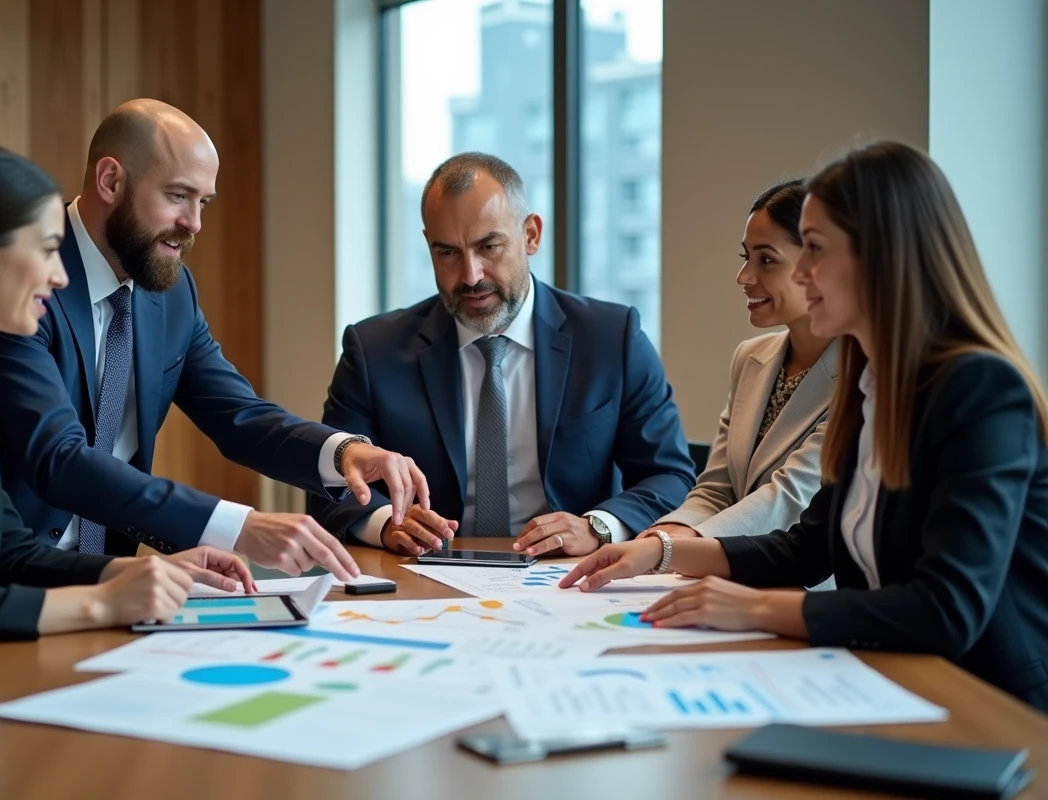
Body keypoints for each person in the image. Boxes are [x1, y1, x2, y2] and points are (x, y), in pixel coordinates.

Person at [562, 142, 1048, 711]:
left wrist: (753, 608)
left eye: (813, 249)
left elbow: (946, 609)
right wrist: (659, 552)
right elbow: (806, 550)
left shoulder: (979, 388)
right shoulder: (871, 385)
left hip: (990, 706)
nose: (799, 272)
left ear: (880, 257)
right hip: (888, 680)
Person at [0, 142, 253, 735]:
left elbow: (6, 552)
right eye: (45, 251)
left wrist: (129, 575)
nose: (61, 275)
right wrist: (98, 604)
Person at [0, 99, 429, 579]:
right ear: (110, 181)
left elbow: (239, 415)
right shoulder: (26, 280)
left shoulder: (171, 293)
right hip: (9, 577)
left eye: (203, 202)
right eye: (178, 195)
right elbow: (60, 458)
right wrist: (237, 526)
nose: (194, 223)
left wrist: (344, 453)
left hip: (113, 577)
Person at [311, 152, 694, 557]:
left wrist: (597, 526)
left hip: (571, 577)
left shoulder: (612, 339)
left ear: (531, 235)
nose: (471, 276)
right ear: (428, 246)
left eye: (489, 246)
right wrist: (387, 523)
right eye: (447, 253)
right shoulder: (373, 350)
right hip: (426, 575)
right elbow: (330, 482)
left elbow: (669, 476)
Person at [646, 181, 837, 552]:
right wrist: (665, 533)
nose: (744, 277)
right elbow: (717, 488)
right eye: (745, 257)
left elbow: (789, 498)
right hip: (726, 569)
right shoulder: (751, 357)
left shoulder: (868, 375)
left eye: (766, 259)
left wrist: (668, 551)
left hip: (807, 588)